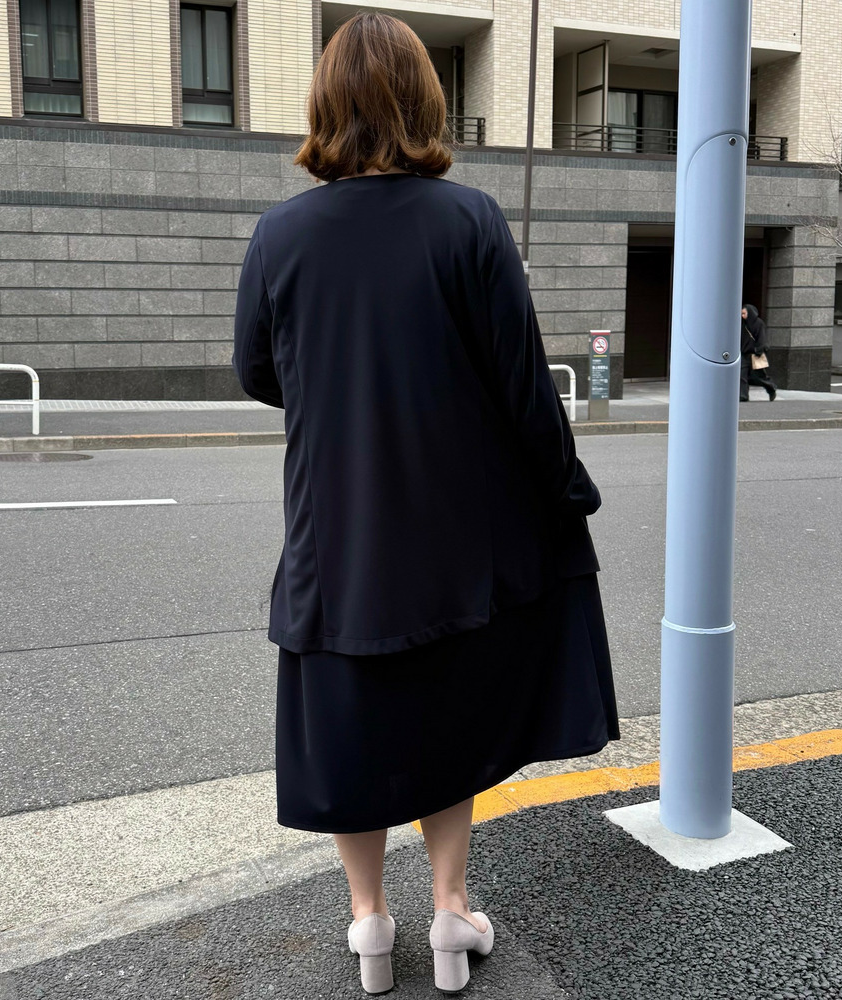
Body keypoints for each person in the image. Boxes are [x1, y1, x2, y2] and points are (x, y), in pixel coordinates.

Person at [234, 12, 619, 995]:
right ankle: (451, 912)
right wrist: (565, 489)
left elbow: (257, 372)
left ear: (325, 105)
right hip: (450, 526)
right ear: (423, 102)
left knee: (349, 716)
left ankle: (369, 921)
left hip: (335, 523)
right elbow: (522, 386)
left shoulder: (280, 234)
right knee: (448, 712)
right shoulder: (468, 220)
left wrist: (337, 386)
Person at [741, 304, 777, 401]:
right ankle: (743, 395)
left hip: (755, 353)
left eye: (744, 313)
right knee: (742, 375)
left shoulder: (758, 324)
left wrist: (759, 350)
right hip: (744, 353)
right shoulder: (742, 324)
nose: (742, 316)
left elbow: (762, 338)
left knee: (759, 376)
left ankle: (771, 387)